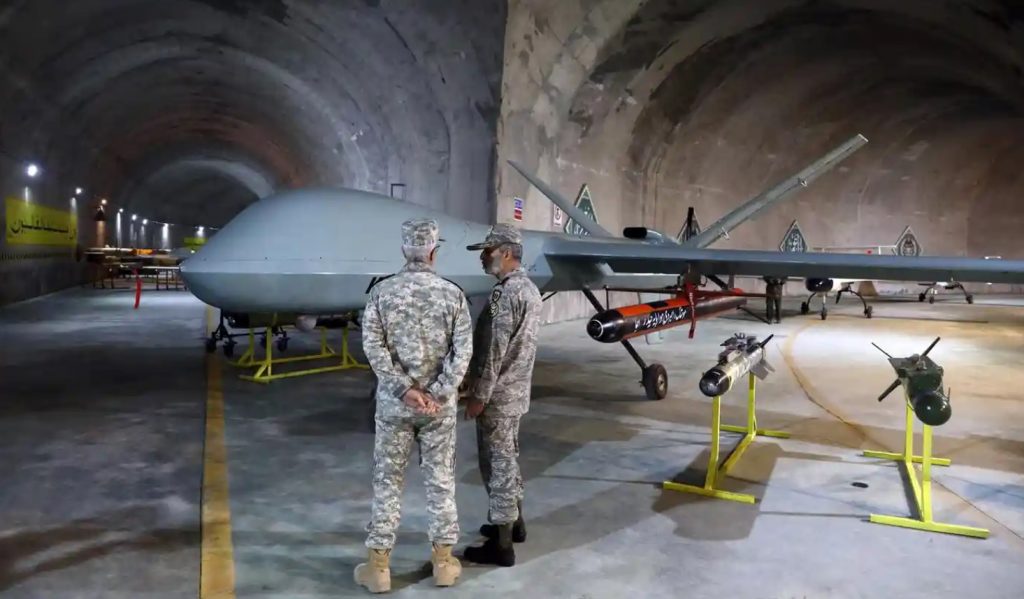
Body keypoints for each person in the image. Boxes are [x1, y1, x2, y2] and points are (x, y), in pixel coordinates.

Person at [355, 218, 474, 593]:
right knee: (440, 482)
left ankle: (379, 568)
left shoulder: (381, 293)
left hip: (395, 407)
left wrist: (403, 389)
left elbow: (373, 347)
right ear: (434, 251)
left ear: (404, 250)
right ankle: (444, 564)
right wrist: (438, 392)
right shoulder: (452, 295)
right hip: (438, 411)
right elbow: (463, 352)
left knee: (387, 482)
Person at [461, 223, 543, 567]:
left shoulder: (504, 294)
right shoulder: (530, 290)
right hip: (516, 392)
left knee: (496, 466)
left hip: (497, 396)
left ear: (507, 253)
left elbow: (494, 349)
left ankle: (502, 544)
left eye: (488, 251)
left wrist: (478, 394)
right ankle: (514, 524)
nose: (483, 258)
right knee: (508, 460)